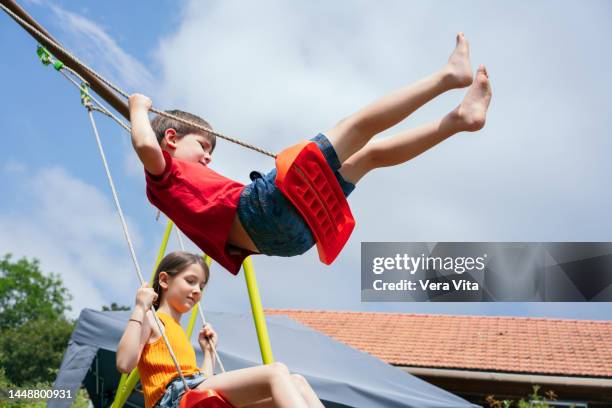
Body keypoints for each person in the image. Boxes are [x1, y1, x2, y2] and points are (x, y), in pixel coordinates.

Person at [129, 33, 492, 275]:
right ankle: (447, 77)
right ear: (172, 139)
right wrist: (139, 108)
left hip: (291, 241)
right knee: (357, 125)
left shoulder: (176, 191)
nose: (208, 157)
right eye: (204, 146)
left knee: (368, 156)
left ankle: (458, 120)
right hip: (264, 211)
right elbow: (146, 144)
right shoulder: (162, 176)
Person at [116, 251, 324, 408]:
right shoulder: (151, 318)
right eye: (190, 281)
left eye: (202, 286)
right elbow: (124, 363)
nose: (197, 290)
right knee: (276, 372)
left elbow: (201, 388)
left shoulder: (179, 331)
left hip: (188, 394)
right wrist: (140, 307)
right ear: (164, 280)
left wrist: (208, 353)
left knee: (297, 382)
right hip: (171, 400)